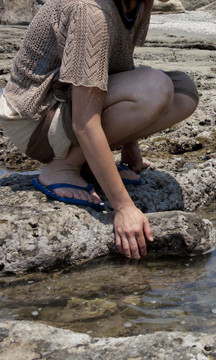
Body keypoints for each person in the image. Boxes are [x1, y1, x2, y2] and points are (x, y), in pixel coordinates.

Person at [0, 0, 199, 259]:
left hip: (69, 102)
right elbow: (84, 120)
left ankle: (86, 162)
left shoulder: (139, 3)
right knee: (155, 86)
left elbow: (119, 64)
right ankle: (64, 167)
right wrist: (124, 207)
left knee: (183, 91)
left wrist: (131, 143)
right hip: (35, 115)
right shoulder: (90, 10)